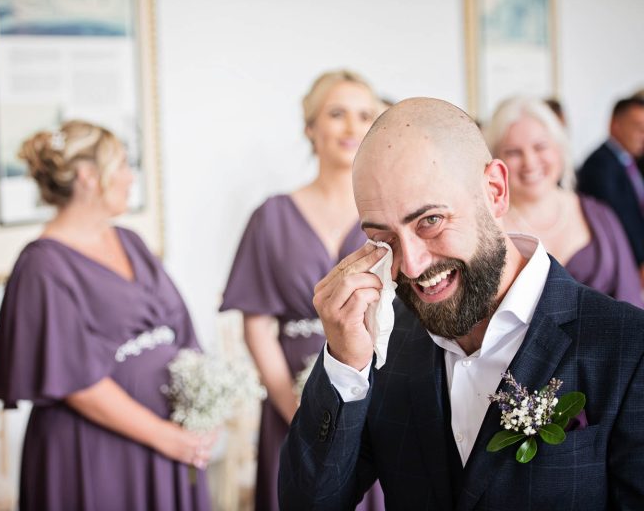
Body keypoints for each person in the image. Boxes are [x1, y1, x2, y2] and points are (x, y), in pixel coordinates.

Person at [279, 98, 644, 509]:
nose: (412, 265)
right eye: (384, 237)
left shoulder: (629, 348)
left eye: (430, 221)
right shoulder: (381, 343)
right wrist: (345, 365)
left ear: (495, 192)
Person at [0, 121, 215, 510]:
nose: (129, 177)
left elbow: (180, 331)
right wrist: (163, 436)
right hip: (92, 450)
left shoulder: (131, 242)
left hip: (169, 440)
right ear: (88, 177)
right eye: (122, 165)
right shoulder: (41, 266)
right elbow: (74, 380)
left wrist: (204, 405)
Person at [220, 70, 386, 511]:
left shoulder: (390, 217)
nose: (352, 127)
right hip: (290, 394)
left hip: (377, 389)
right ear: (310, 127)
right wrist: (298, 411)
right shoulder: (271, 216)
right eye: (337, 114)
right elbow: (257, 324)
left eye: (365, 115)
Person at [485, 96, 642, 306]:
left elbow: (630, 300)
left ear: (559, 149)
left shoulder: (600, 215)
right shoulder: (488, 229)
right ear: (495, 161)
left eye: (540, 147)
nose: (530, 163)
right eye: (513, 152)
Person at [577, 96, 644, 286]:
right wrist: (640, 260)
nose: (643, 134)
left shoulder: (629, 161)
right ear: (615, 126)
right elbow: (622, 219)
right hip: (624, 267)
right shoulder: (600, 165)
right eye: (638, 127)